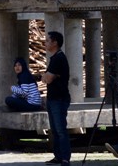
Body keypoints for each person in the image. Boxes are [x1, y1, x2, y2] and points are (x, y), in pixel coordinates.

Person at [42, 30, 71, 166]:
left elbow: (47, 78)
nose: (45, 43)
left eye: (47, 40)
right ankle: (58, 156)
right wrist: (48, 76)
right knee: (54, 130)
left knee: (60, 129)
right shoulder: (53, 58)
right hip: (52, 98)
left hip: (59, 99)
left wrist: (48, 76)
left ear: (55, 43)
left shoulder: (59, 58)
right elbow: (47, 78)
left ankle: (65, 158)